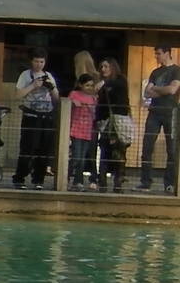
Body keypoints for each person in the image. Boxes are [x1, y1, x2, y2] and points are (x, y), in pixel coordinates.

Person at [12, 48, 59, 189]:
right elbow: (17, 95)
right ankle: (20, 178)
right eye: (36, 61)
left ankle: (38, 180)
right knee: (28, 148)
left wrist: (51, 88)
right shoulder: (25, 75)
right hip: (31, 116)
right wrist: (33, 85)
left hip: (47, 116)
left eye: (42, 61)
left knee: (44, 150)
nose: (39, 64)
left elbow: (57, 99)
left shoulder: (49, 75)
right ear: (31, 61)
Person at [139, 45, 180, 193]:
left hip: (171, 113)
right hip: (154, 112)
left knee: (172, 149)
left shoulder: (176, 70)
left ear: (167, 53)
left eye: (159, 54)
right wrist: (162, 90)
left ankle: (169, 183)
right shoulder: (155, 72)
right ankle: (145, 181)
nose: (156, 57)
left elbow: (173, 90)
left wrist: (156, 89)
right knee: (147, 146)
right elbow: (147, 92)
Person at [97, 56, 132, 192]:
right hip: (105, 122)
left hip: (119, 121)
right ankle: (103, 183)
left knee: (119, 152)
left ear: (112, 67)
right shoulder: (102, 84)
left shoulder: (119, 80)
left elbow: (121, 95)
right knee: (105, 151)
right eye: (102, 67)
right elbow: (100, 105)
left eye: (106, 66)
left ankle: (118, 183)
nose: (103, 69)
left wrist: (105, 84)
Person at [66, 74, 99, 190]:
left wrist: (92, 108)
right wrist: (73, 102)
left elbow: (95, 115)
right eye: (87, 85)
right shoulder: (74, 94)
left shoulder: (94, 98)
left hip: (87, 130)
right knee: (76, 157)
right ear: (80, 85)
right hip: (76, 129)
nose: (89, 88)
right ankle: (66, 176)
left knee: (83, 158)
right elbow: (67, 105)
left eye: (91, 85)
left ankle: (78, 181)